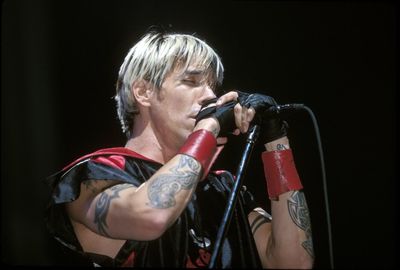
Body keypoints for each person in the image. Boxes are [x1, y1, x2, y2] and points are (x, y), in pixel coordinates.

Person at [44, 29, 314, 268]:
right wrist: (207, 129)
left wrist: (276, 139)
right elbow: (152, 215)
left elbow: (294, 262)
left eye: (212, 86)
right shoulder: (96, 175)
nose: (210, 95)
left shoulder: (224, 190)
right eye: (192, 81)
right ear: (143, 92)